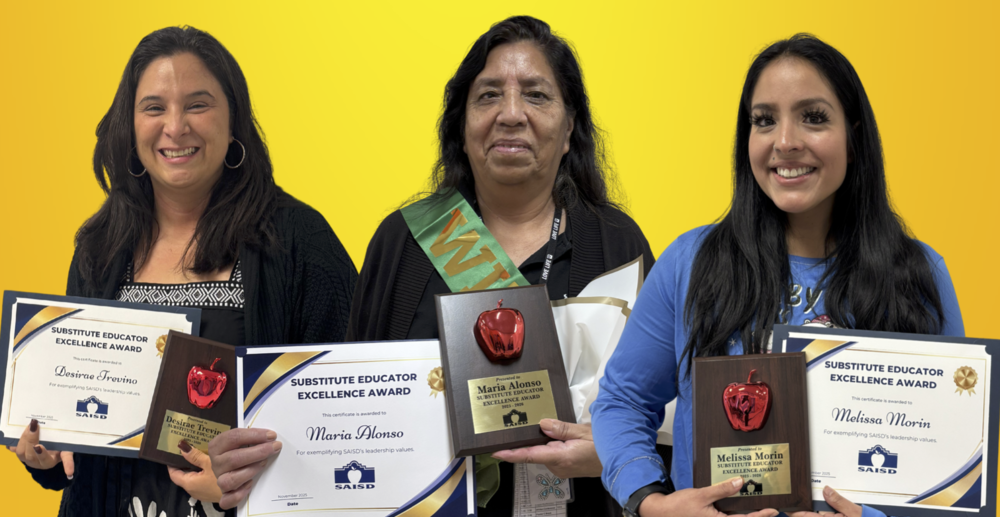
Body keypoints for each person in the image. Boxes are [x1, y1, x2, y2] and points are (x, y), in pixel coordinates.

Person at [208, 15, 656, 517]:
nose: (511, 114)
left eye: (536, 94)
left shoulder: (618, 245)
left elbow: (665, 422)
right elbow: (346, 413)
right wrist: (260, 462)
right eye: (488, 95)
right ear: (461, 128)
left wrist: (613, 451)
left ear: (570, 127)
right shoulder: (402, 242)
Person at [590, 33, 964, 517]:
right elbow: (622, 401)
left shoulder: (920, 273)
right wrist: (649, 501)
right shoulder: (689, 262)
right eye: (764, 120)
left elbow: (950, 458)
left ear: (853, 133)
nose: (785, 142)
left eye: (813, 117)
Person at [7, 26, 357, 517]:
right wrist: (47, 453)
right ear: (130, 126)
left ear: (233, 119)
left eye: (198, 104)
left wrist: (251, 481)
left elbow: (350, 415)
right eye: (154, 107)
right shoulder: (100, 247)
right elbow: (81, 442)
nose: (176, 126)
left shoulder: (301, 242)